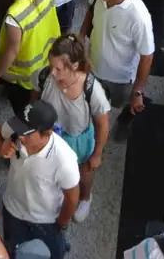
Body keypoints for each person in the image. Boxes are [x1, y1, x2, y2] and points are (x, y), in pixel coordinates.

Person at [0, 99, 80, 259]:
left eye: (27, 133)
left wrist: (60, 223)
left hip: (45, 219)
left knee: (53, 253)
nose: (21, 137)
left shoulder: (64, 160)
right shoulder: (15, 130)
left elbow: (72, 198)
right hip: (13, 210)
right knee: (14, 252)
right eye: (19, 129)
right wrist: (0, 147)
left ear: (48, 132)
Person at [38, 35, 111, 223]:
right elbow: (35, 97)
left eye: (59, 69)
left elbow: (102, 124)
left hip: (78, 140)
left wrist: (98, 153)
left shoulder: (92, 90)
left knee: (84, 174)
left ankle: (85, 198)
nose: (52, 72)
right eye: (51, 65)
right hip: (52, 135)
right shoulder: (45, 76)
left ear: (75, 66)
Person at [81, 0, 155, 139]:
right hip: (95, 68)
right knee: (95, 104)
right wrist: (80, 36)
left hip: (121, 78)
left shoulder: (137, 15)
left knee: (123, 103)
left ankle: (124, 119)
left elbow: (147, 55)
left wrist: (138, 91)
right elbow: (90, 12)